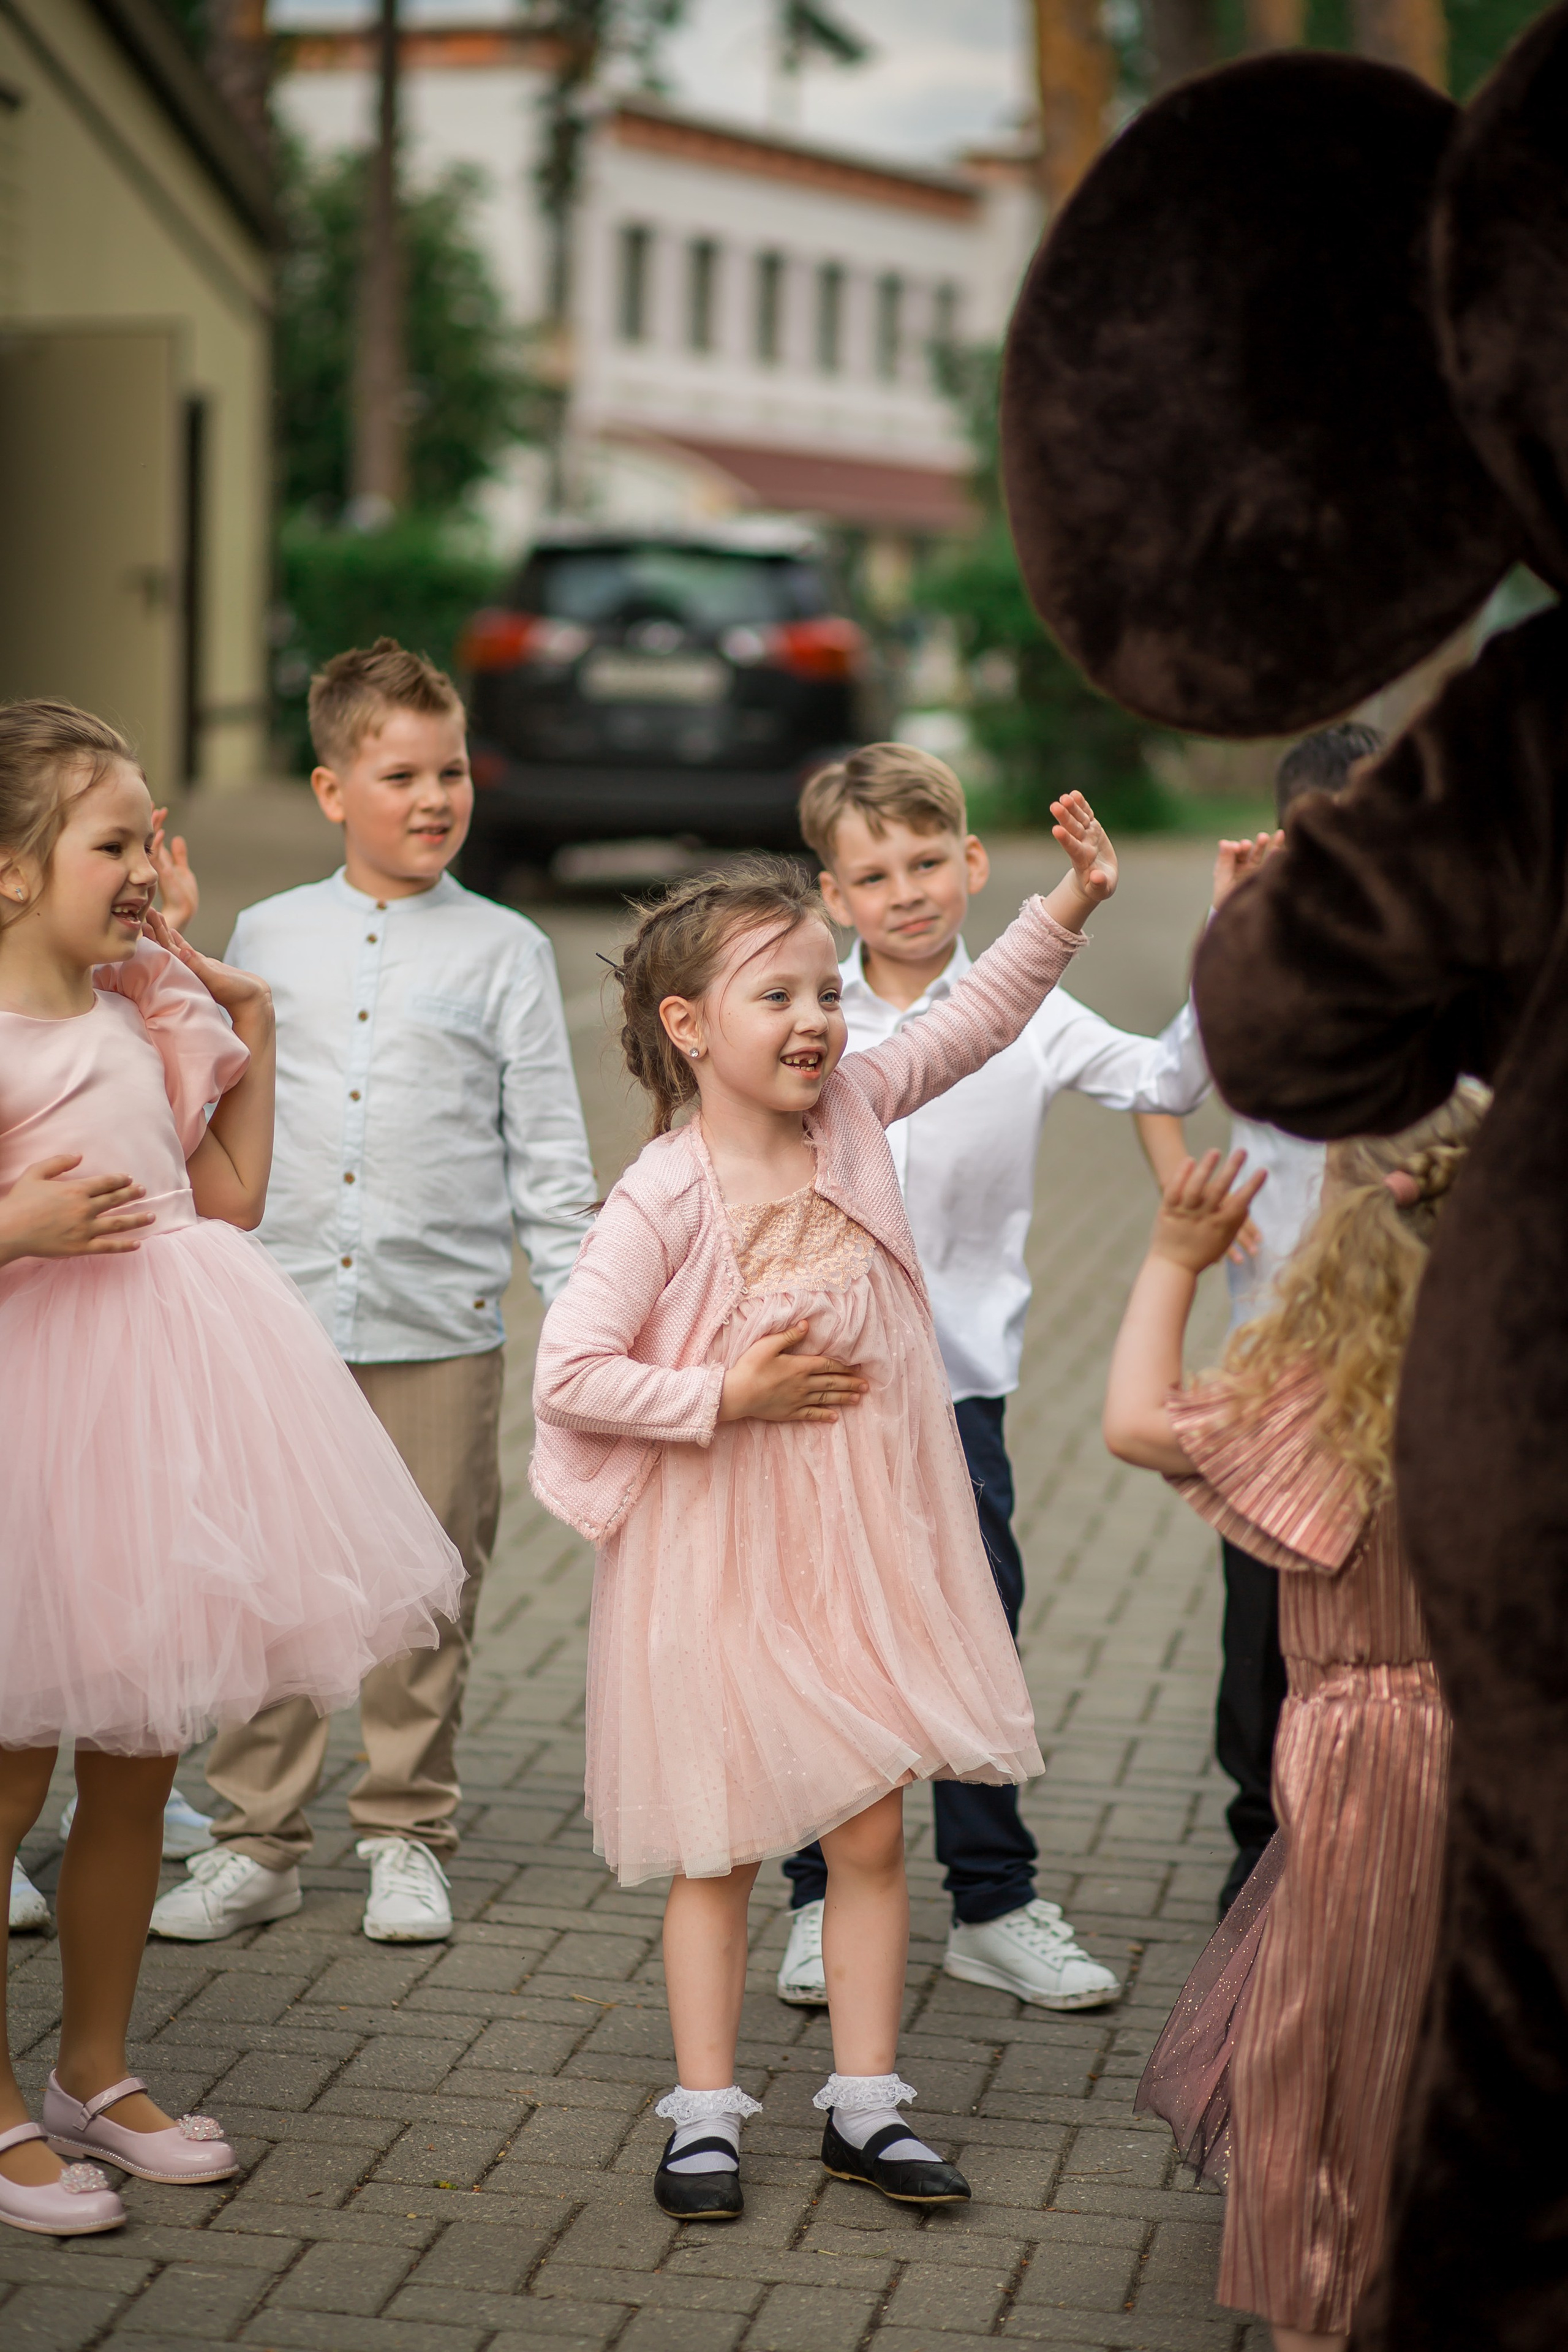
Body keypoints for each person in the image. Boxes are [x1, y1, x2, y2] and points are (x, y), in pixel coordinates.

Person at [530, 791, 1117, 2222]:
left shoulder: (853, 1110)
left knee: (865, 1835)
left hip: (858, 1544)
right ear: (686, 1029)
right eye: (775, 995)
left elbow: (968, 1022)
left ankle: (865, 2108)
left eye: (823, 993)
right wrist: (718, 1396)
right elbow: (570, 1371)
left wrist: (1071, 906)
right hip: (716, 1556)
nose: (816, 1021)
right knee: (723, 1845)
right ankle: (706, 2114)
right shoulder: (664, 1194)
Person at [0, 698, 462, 2237]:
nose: (145, 869)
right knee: (9, 1777)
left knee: (136, 1770)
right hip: (30, 1433)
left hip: (155, 1421)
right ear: (10, 869)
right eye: (111, 843)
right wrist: (19, 1226)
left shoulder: (144, 1002)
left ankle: (94, 2069)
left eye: (149, 837)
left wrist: (247, 1030)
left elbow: (231, 1203)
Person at [151, 640, 595, 1950]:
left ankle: (405, 1829)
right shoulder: (268, 933)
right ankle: (255, 1840)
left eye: (449, 769)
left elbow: (550, 1158)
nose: (432, 796)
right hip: (278, 1318)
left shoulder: (506, 951)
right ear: (331, 786)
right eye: (398, 773)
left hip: (436, 1325)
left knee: (429, 1579)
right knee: (274, 1580)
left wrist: (577, 1326)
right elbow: (203, 1089)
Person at [771, 743, 1210, 2011]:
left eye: (925, 860)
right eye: (873, 872)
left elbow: (1164, 1079)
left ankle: (991, 1902)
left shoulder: (1032, 1011)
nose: (904, 890)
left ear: (970, 863)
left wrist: (1219, 951)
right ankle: (815, 1898)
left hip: (955, 1392)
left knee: (970, 1634)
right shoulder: (810, 1014)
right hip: (819, 1389)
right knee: (821, 1632)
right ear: (833, 893)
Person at [1102, 1091, 1482, 2352]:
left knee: (1327, 2053)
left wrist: (1169, 1261)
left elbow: (1128, 1423)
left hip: (1365, 1754)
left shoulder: (1322, 1400)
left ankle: (1321, 2309)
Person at [1170, 721, 1385, 1916]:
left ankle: (1368, 1828)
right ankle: (1256, 1842)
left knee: (1378, 1597)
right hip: (1270, 1357)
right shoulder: (1250, 963)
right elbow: (1174, 1075)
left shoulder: (1444, 964)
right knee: (1257, 1610)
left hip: (1397, 1347)